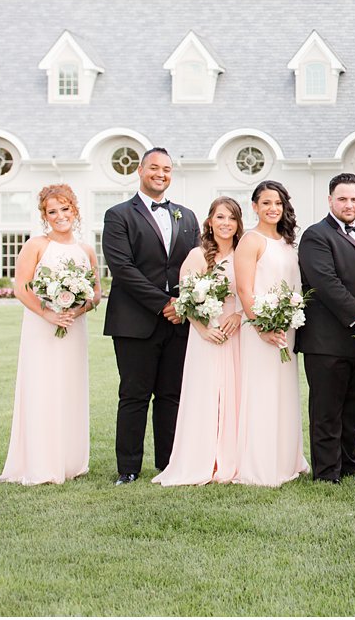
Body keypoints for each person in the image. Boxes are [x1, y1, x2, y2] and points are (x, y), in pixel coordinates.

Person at [101, 147, 200, 485]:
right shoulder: (118, 215)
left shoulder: (186, 216)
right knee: (134, 395)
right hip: (134, 321)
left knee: (172, 395)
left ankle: (168, 463)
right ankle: (128, 468)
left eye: (167, 169)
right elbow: (123, 270)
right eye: (154, 167)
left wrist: (184, 304)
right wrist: (163, 303)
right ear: (140, 170)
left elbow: (196, 266)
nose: (161, 174)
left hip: (179, 322)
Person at [0, 185, 100, 485]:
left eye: (65, 209)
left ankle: (69, 462)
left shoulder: (86, 250)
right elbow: (21, 288)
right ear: (44, 216)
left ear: (75, 211)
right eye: (52, 211)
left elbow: (96, 294)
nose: (60, 216)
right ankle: (40, 463)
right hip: (41, 329)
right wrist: (48, 313)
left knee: (69, 388)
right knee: (42, 389)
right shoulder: (36, 245)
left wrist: (74, 312)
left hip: (73, 328)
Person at [296, 172, 355, 483]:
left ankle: (349, 465)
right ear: (330, 200)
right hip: (327, 340)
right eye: (343, 199)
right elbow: (326, 283)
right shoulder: (315, 235)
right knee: (327, 411)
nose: (349, 204)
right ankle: (326, 472)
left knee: (354, 411)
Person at [153, 197, 245, 487]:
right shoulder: (197, 255)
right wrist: (203, 329)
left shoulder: (245, 254)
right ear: (209, 221)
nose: (226, 223)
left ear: (238, 223)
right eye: (220, 217)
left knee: (234, 395)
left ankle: (231, 459)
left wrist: (240, 316)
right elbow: (186, 299)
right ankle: (202, 459)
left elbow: (251, 291)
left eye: (231, 218)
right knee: (206, 394)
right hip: (205, 333)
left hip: (236, 332)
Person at [232, 180, 308, 486]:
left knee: (284, 392)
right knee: (262, 393)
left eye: (277, 203)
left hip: (286, 329)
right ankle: (261, 464)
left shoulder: (288, 242)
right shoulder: (251, 241)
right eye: (266, 203)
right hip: (260, 330)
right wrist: (262, 326)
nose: (272, 208)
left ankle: (286, 458)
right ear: (254, 207)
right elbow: (243, 288)